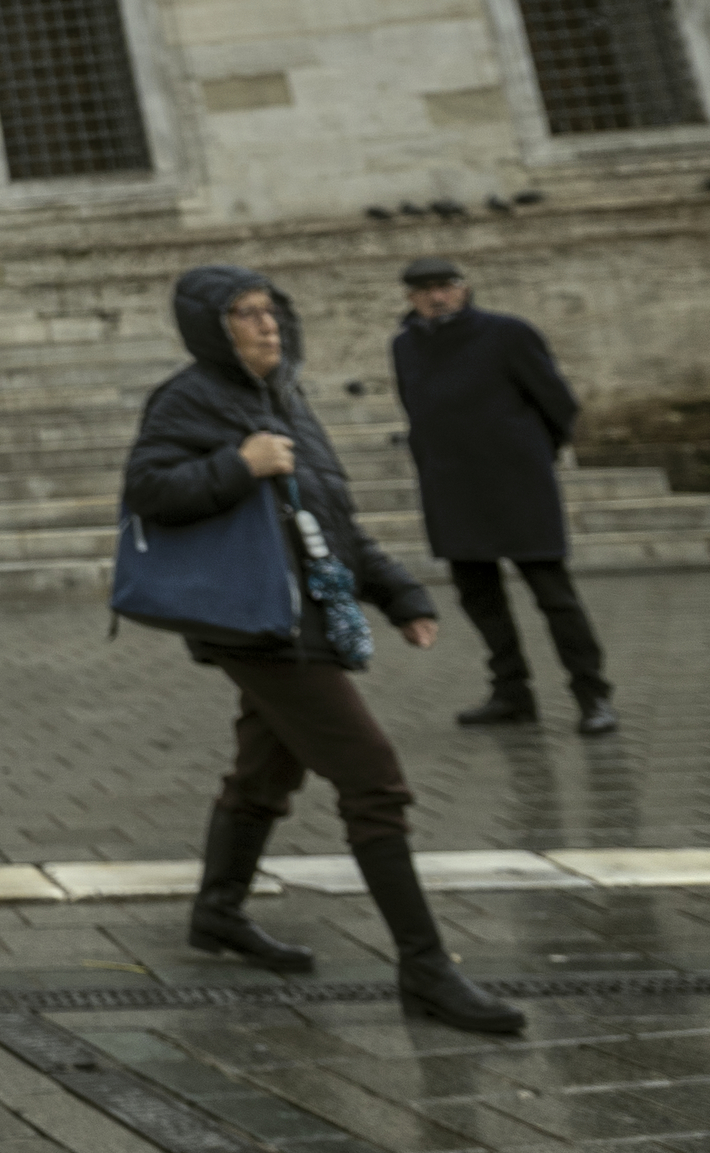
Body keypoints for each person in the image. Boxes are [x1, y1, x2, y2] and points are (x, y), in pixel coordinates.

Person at [127, 266, 524, 1036]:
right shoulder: (189, 398)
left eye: (272, 310)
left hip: (305, 614)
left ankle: (218, 913)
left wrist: (398, 591)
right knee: (374, 780)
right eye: (245, 313)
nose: (266, 324)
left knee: (264, 770)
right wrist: (237, 465)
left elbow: (330, 515)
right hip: (256, 622)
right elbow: (148, 488)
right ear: (212, 325)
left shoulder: (287, 398)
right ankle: (427, 970)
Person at [391, 256, 614, 735]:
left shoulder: (508, 333)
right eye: (425, 289)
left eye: (446, 286)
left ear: (464, 288)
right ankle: (512, 693)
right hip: (450, 486)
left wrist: (531, 454)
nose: (437, 296)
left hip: (517, 484)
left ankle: (592, 695)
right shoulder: (405, 347)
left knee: (554, 596)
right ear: (410, 297)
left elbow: (558, 402)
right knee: (479, 598)